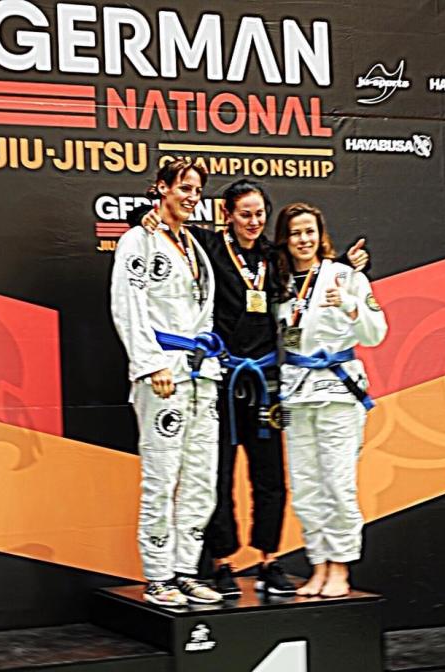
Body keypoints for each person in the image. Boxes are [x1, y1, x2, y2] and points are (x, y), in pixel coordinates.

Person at [129, 179, 369, 597]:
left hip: (267, 381)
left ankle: (269, 559)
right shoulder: (208, 245)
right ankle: (222, 562)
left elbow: (312, 269)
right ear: (227, 214)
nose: (254, 222)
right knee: (217, 475)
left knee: (270, 474)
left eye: (260, 214)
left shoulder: (273, 257)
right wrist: (142, 217)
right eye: (245, 214)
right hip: (222, 377)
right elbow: (163, 225)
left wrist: (348, 264)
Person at [110, 159, 223, 606]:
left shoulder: (194, 244)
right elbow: (128, 304)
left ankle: (185, 570)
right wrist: (149, 363)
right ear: (161, 188)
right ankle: (158, 576)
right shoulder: (139, 239)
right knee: (162, 475)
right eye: (184, 188)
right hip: (163, 372)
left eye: (197, 190)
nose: (192, 197)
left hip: (201, 372)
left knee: (200, 479)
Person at [274, 203, 387, 598]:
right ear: (285, 240)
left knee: (338, 483)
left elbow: (375, 333)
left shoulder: (346, 276)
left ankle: (340, 566)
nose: (303, 240)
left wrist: (348, 305)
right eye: (295, 233)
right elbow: (285, 335)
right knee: (305, 485)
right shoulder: (281, 284)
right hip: (296, 392)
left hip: (338, 391)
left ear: (320, 234)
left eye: (309, 231)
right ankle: (318, 564)